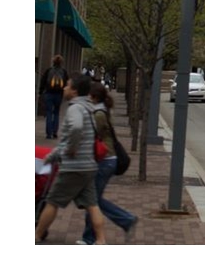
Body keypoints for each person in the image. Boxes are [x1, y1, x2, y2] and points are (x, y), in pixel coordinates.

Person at [35, 74, 107, 244]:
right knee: (92, 204)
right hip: (88, 165)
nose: (64, 87)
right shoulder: (89, 107)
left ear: (74, 91)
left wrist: (70, 150)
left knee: (52, 201)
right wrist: (54, 155)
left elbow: (75, 129)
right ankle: (101, 240)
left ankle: (36, 235)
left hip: (74, 166)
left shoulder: (75, 108)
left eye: (67, 85)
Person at [80, 82, 138, 245]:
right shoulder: (100, 110)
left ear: (94, 97)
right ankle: (124, 221)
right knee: (93, 199)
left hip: (105, 160)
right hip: (107, 160)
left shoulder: (98, 114)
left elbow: (92, 136)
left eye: (88, 95)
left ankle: (91, 237)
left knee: (92, 200)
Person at [39, 54, 69, 139]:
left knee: (49, 113)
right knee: (56, 113)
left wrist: (40, 92)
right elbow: (67, 82)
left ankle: (48, 133)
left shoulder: (49, 70)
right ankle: (55, 131)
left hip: (49, 93)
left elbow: (43, 81)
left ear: (53, 61)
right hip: (59, 94)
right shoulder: (63, 71)